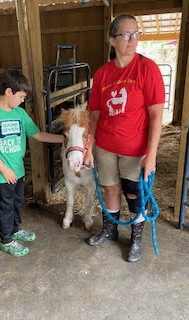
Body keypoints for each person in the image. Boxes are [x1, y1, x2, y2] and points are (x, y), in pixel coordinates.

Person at [84, 14, 165, 262]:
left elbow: (156, 116)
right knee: (110, 188)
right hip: (107, 146)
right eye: (126, 35)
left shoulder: (147, 69)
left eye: (136, 34)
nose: (133, 40)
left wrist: (150, 156)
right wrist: (89, 148)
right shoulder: (102, 75)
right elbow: (94, 116)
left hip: (135, 149)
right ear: (112, 40)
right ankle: (109, 230)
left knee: (134, 194)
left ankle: (135, 239)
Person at [0, 70, 63, 257]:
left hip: (18, 169)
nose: (23, 100)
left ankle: (15, 230)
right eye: (21, 96)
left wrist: (65, 139)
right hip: (2, 174)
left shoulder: (20, 113)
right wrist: (4, 170)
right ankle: (6, 241)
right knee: (5, 206)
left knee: (16, 202)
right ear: (9, 91)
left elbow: (38, 134)